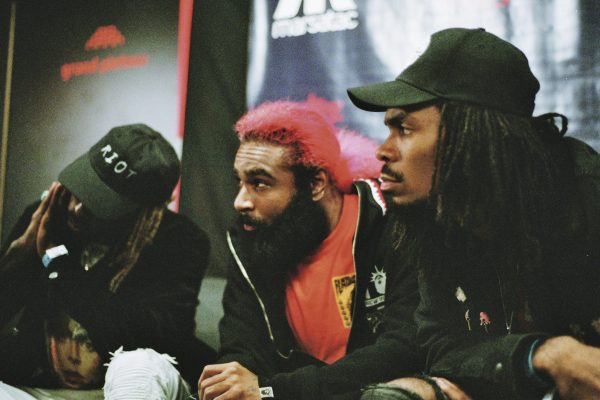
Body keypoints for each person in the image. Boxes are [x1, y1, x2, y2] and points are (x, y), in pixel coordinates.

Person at [347, 27, 600, 400]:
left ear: (472, 135)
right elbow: (440, 344)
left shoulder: (584, 196)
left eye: (404, 129)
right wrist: (539, 355)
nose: (382, 151)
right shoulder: (439, 218)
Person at [197, 95, 423, 399]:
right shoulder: (251, 240)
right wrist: (231, 386)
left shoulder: (391, 225)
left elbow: (401, 350)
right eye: (240, 182)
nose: (240, 202)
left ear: (316, 184)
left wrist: (273, 391)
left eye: (260, 183)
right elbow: (241, 349)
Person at [0, 124, 215, 398]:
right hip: (34, 386)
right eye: (83, 186)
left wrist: (57, 262)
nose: (77, 208)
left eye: (100, 203)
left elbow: (146, 341)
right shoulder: (50, 216)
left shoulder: (179, 241)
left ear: (145, 211)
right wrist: (19, 256)